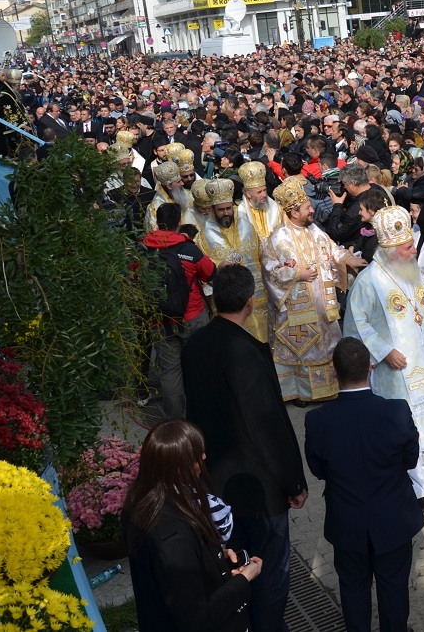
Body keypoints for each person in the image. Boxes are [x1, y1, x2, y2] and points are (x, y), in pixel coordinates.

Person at [184, 264, 308, 632]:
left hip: (215, 481)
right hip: (258, 487)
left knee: (234, 564)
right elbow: (267, 427)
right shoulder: (246, 352)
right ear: (251, 302)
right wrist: (293, 482)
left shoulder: (194, 346)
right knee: (269, 568)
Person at [343, 205, 424, 506]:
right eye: (407, 246)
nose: (414, 249)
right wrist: (385, 352)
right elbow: (358, 325)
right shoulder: (369, 281)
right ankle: (413, 483)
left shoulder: (409, 269)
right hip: (395, 370)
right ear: (389, 249)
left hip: (422, 361)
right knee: (403, 423)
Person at [304, 338, 424, 632]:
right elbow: (410, 460)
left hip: (346, 520)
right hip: (393, 517)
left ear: (334, 372)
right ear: (370, 368)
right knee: (394, 586)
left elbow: (317, 469)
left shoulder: (317, 420)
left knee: (353, 587)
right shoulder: (397, 411)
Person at [122, 419, 260, 632]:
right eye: (197, 455)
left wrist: (215, 559)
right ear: (178, 467)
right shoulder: (174, 534)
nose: (204, 457)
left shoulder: (140, 503)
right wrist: (244, 579)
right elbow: (197, 618)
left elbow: (170, 576)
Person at [261, 176, 366, 404]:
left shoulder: (314, 230)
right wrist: (297, 274)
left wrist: (348, 259)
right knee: (302, 349)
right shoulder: (279, 238)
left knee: (327, 345)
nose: (312, 210)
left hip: (322, 304)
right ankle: (301, 392)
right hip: (296, 308)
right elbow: (269, 270)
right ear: (293, 212)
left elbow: (331, 248)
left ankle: (329, 387)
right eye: (307, 207)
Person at [142, 202, 215, 419]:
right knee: (199, 367)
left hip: (159, 320)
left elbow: (136, 278)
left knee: (169, 371)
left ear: (157, 222)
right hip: (192, 316)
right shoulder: (188, 249)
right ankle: (204, 416)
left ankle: (176, 423)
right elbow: (211, 274)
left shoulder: (145, 249)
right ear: (179, 223)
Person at [196, 178, 270, 343]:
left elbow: (263, 257)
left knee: (261, 342)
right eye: (221, 210)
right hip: (228, 304)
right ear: (213, 209)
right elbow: (200, 270)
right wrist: (217, 266)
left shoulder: (248, 227)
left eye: (228, 208)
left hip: (255, 301)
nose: (226, 213)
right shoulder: (202, 238)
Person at [237, 161, 282, 242]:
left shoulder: (275, 207)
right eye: (259, 192)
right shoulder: (241, 212)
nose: (264, 194)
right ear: (248, 194)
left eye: (264, 190)